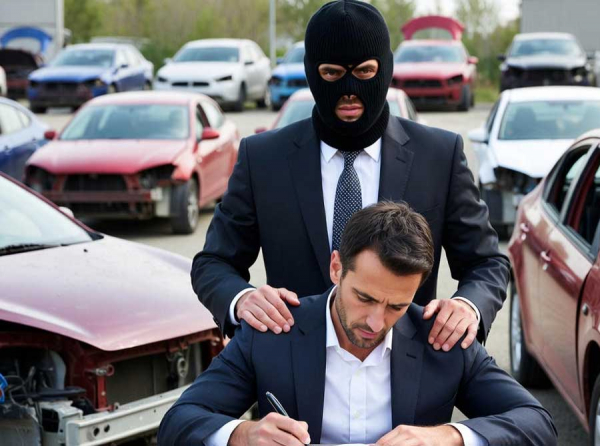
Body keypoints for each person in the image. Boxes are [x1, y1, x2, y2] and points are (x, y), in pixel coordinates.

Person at [192, 0, 510, 352]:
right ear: (312, 72)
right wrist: (241, 299)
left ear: (385, 68)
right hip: (292, 367)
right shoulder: (263, 158)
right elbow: (213, 262)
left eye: (364, 72)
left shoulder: (439, 155)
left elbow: (486, 262)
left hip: (407, 369)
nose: (348, 90)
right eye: (331, 73)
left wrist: (467, 307)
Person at [159, 202, 556, 446]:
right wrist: (242, 435)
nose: (375, 321)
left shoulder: (441, 338)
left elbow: (537, 424)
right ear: (337, 268)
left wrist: (448, 436)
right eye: (364, 297)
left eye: (397, 305)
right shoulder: (274, 332)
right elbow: (179, 422)